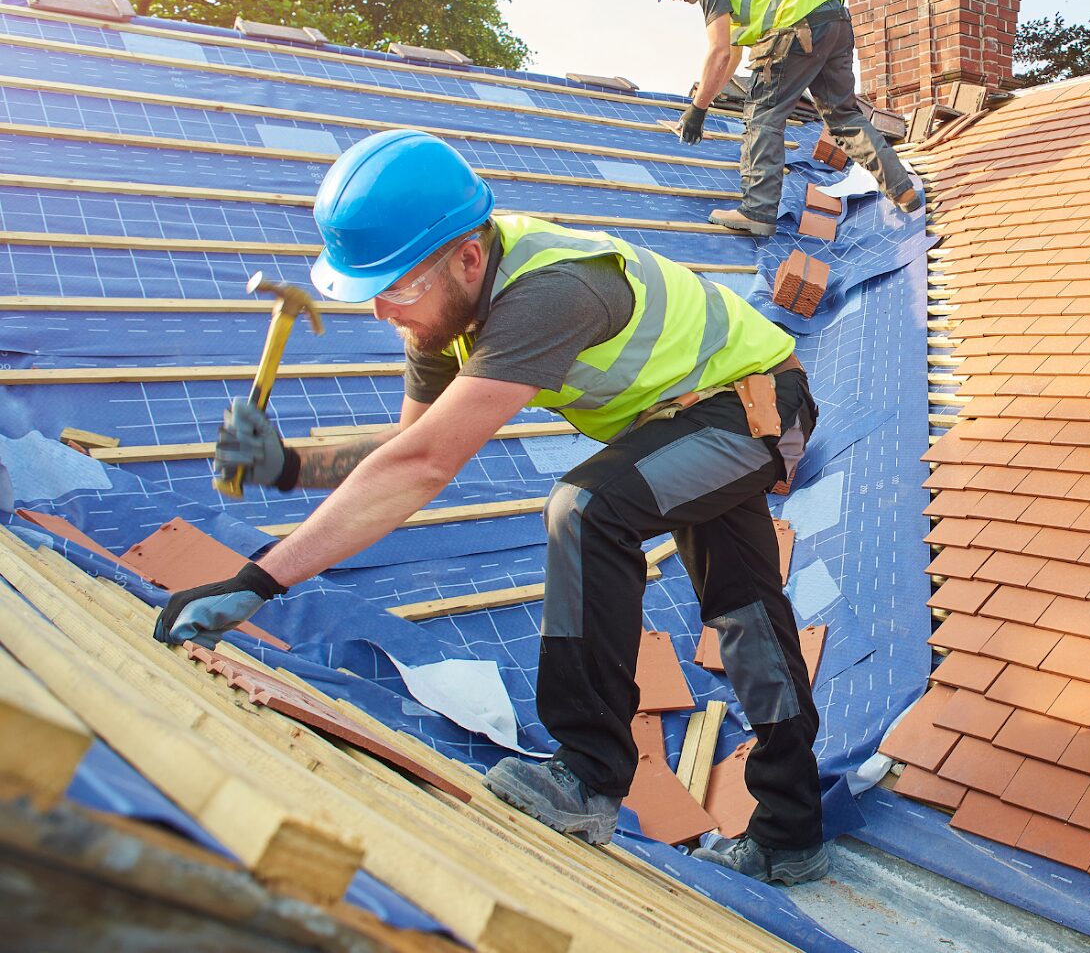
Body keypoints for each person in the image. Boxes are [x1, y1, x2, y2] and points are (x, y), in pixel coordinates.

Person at [154, 129, 830, 885]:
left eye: (396, 286)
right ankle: (792, 831)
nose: (382, 310)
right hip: (686, 417)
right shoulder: (439, 311)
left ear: (468, 258)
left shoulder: (550, 292)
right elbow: (410, 449)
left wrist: (258, 580)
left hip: (754, 403)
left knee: (587, 508)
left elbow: (421, 468)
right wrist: (289, 467)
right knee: (744, 612)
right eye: (369, 289)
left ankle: (588, 775)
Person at [640, 0, 920, 237]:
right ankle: (902, 189)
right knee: (843, 117)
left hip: (798, 26)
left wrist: (696, 110)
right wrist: (703, 105)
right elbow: (730, 57)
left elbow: (718, 51)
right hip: (834, 21)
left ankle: (757, 210)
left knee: (762, 114)